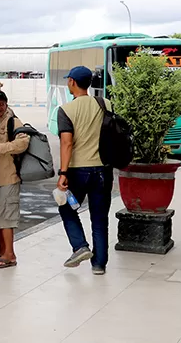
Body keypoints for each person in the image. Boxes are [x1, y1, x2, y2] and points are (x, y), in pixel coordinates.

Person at [57, 65, 114, 275]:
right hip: (103, 171)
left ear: (72, 82)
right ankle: (99, 265)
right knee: (100, 218)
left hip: (77, 172)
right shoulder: (104, 103)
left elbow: (66, 143)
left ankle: (80, 246)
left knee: (67, 208)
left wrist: (63, 173)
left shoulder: (66, 110)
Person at [0, 89, 30, 268]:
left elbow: (23, 142)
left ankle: (10, 254)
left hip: (8, 177)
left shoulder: (11, 120)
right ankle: (2, 250)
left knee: (6, 217)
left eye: (1, 104)